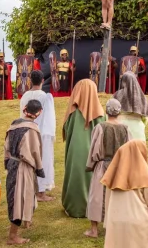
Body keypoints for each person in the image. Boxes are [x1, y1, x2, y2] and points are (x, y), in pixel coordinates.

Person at [101, 140, 148, 247]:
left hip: (116, 223)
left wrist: (108, 224)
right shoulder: (145, 176)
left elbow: (108, 203)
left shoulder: (112, 177)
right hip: (139, 224)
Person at [85, 98, 131, 238]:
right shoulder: (125, 128)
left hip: (102, 165)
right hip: (119, 166)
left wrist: (91, 165)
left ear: (106, 111)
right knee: (117, 195)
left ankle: (94, 230)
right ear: (119, 112)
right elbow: (129, 148)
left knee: (97, 196)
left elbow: (94, 149)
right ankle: (116, 228)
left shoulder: (100, 127)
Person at [62, 79, 105, 218]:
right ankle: (91, 208)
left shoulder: (72, 113)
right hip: (93, 153)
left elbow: (66, 129)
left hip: (75, 152)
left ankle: (74, 207)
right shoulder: (100, 113)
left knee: (75, 177)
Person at [5, 99, 44, 244]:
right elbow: (35, 151)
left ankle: (24, 222)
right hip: (23, 166)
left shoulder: (13, 125)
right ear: (38, 113)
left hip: (12, 163)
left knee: (17, 196)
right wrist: (39, 168)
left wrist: (7, 162)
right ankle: (12, 236)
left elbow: (6, 146)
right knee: (19, 198)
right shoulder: (32, 129)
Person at [19, 70, 56, 202]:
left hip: (26, 131)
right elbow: (49, 118)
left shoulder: (24, 96)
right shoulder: (46, 97)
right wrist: (51, 134)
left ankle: (32, 189)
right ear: (42, 81)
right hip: (42, 132)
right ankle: (40, 192)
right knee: (42, 160)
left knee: (29, 159)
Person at [114, 72, 148, 141]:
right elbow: (146, 117)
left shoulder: (117, 95)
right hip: (138, 130)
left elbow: (111, 112)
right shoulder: (142, 98)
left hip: (121, 129)